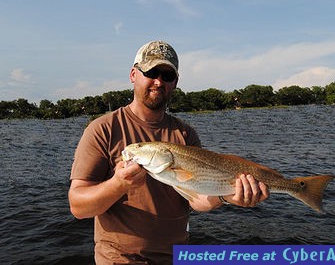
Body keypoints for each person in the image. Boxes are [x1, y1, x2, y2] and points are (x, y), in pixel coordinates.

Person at [68, 40, 270, 264]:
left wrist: (226, 196)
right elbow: (78, 207)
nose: (158, 81)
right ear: (133, 74)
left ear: (175, 83)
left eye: (167, 76)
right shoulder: (102, 129)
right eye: (151, 72)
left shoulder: (185, 134)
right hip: (119, 258)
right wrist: (119, 184)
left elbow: (196, 198)